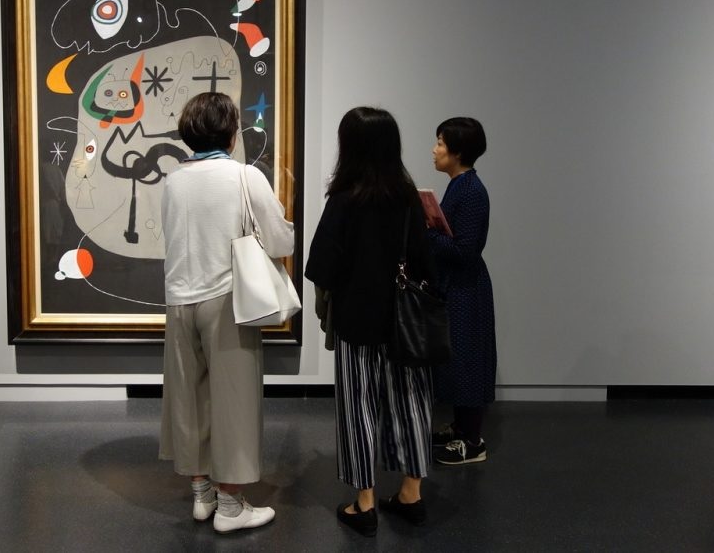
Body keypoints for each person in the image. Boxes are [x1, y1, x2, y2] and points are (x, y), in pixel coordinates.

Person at [158, 92, 295, 533]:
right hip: (226, 299)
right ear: (232, 133)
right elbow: (281, 241)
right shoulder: (244, 176)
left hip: (179, 299)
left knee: (189, 398)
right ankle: (231, 506)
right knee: (234, 402)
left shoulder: (174, 181)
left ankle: (202, 494)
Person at [305, 106, 435, 537]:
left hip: (357, 317)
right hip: (405, 321)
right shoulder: (408, 196)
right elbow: (425, 261)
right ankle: (411, 494)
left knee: (358, 406)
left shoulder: (346, 198)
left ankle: (364, 503)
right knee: (412, 402)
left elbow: (321, 265)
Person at [427, 117, 497, 465]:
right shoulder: (460, 186)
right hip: (458, 286)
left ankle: (472, 441)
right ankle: (460, 428)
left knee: (467, 360)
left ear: (457, 151)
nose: (434, 150)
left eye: (440, 143)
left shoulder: (470, 191)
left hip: (466, 289)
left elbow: (464, 251)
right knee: (457, 359)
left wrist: (427, 232)